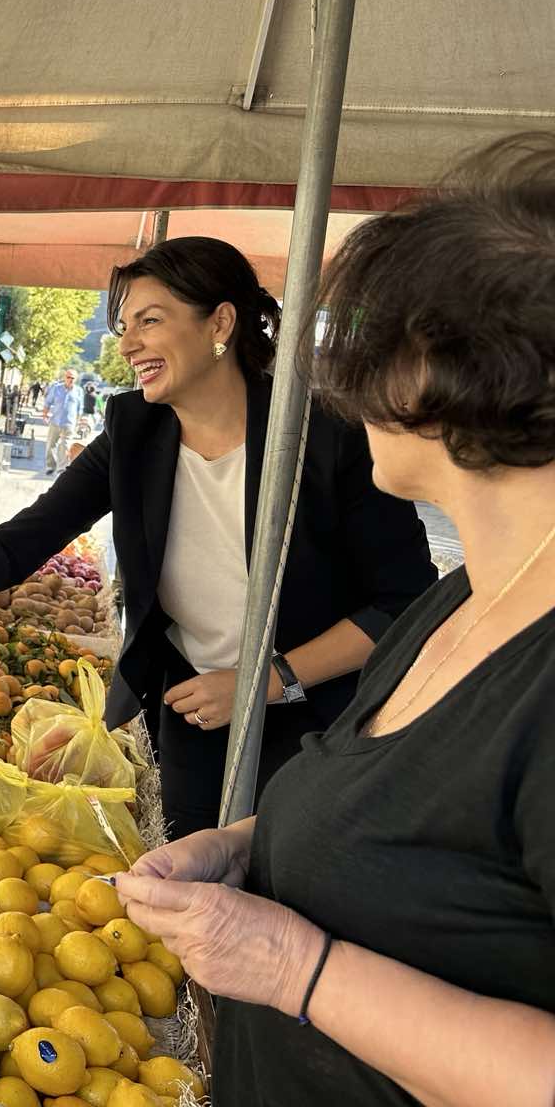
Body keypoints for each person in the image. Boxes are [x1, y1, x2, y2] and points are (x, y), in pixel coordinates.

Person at [115, 134, 555, 1106]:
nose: (342, 377)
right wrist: (243, 845)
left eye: (370, 338)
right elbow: (408, 832)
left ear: (438, 368)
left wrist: (293, 970)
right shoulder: (456, 602)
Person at [0, 236, 436, 838]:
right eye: (124, 325)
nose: (127, 343)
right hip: (193, 712)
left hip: (321, 722)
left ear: (220, 323)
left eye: (150, 321)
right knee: (188, 876)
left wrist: (266, 681)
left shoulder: (324, 439)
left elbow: (406, 603)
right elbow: (21, 541)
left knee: (283, 876)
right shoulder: (134, 432)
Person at [42, 367, 82, 472]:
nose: (70, 379)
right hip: (55, 421)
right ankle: (50, 466)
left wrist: (78, 422)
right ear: (65, 377)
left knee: (65, 446)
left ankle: (62, 468)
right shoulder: (56, 388)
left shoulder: (78, 391)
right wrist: (45, 414)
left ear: (76, 379)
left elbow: (80, 408)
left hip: (69, 423)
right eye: (68, 377)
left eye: (72, 378)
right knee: (51, 445)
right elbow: (48, 402)